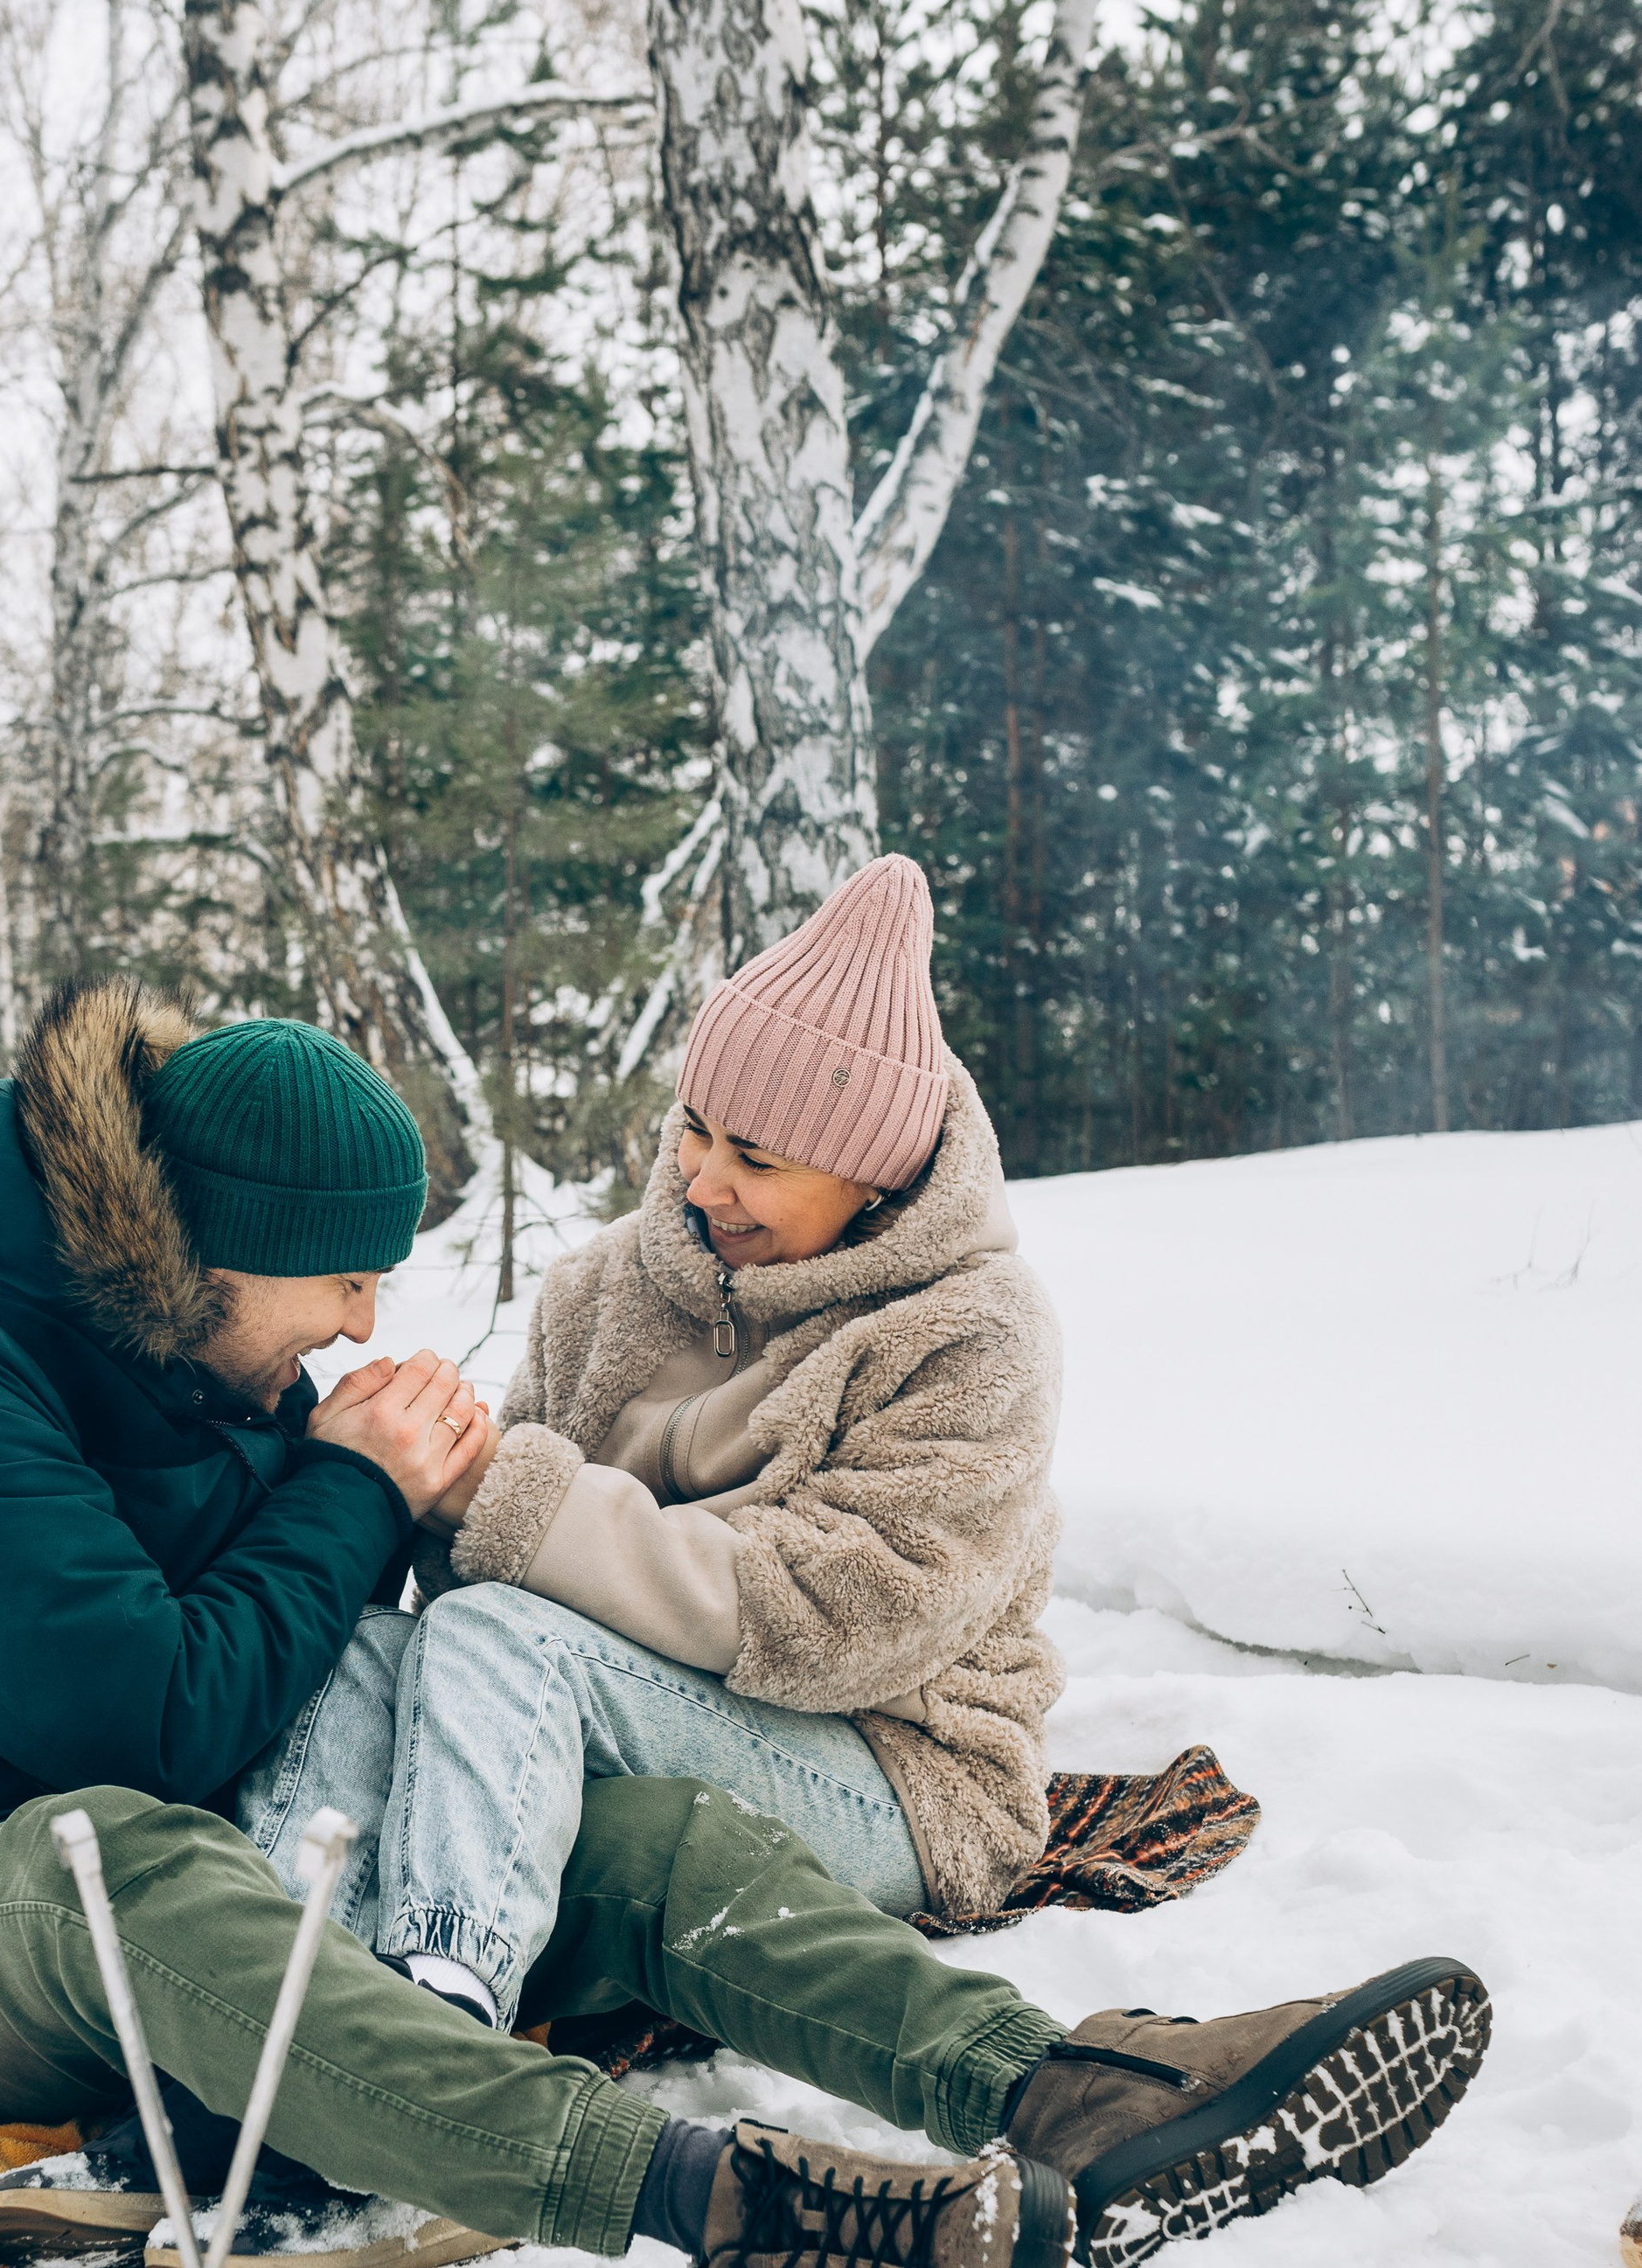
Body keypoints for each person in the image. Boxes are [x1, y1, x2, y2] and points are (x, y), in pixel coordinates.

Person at [0, 973, 1490, 2268]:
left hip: (242, 1870)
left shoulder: (207, 1362)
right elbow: (127, 1716)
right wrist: (352, 1487)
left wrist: (367, 1492)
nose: (365, 1321)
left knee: (639, 1833)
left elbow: (306, 1648)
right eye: (344, 1279)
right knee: (123, 1860)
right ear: (219, 1250)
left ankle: (1056, 2083)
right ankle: (722, 2201)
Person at [244, 853, 1063, 2027]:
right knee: (371, 1651)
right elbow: (482, 1564)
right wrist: (420, 1471)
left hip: (897, 1765)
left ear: (875, 1182)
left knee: (499, 1639)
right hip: (618, 1699)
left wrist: (510, 1497)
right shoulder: (607, 1291)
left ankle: (436, 2017)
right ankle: (267, 2000)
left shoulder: (971, 1332)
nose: (704, 1183)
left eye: (759, 1161)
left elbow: (841, 1617)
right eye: (699, 1131)